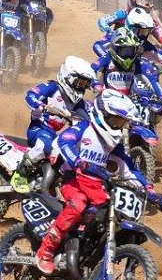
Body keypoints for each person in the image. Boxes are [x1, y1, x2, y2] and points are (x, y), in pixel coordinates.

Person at [35, 90, 162, 275]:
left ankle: (87, 247)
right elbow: (65, 141)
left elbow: (130, 170)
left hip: (97, 186)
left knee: (107, 214)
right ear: (102, 114)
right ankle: (46, 251)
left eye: (122, 122)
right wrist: (76, 160)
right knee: (78, 205)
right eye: (116, 120)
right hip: (74, 180)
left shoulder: (114, 144)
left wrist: (150, 192)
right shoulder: (85, 128)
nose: (118, 126)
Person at [10, 56, 97, 193]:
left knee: (70, 151)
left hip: (54, 134)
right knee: (45, 145)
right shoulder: (52, 88)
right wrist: (39, 105)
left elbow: (87, 118)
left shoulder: (78, 103)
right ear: (68, 77)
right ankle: (21, 174)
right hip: (38, 128)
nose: (82, 86)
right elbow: (31, 94)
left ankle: (50, 182)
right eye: (79, 82)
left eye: (85, 83)